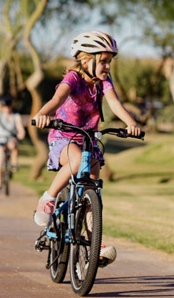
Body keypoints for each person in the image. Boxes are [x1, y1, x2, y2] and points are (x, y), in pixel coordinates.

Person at [31, 31, 141, 266]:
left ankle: (94, 242)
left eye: (109, 61)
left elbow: (114, 103)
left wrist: (130, 123)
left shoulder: (104, 82)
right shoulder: (73, 78)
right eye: (103, 61)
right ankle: (48, 198)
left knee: (92, 191)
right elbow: (58, 99)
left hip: (88, 139)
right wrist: (42, 115)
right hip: (63, 136)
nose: (107, 66)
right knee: (75, 159)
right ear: (85, 60)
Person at [0, 95, 26, 192]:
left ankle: (14, 164)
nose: (6, 108)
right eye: (4, 106)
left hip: (11, 138)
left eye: (8, 106)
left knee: (13, 145)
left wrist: (21, 134)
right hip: (0, 138)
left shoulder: (16, 116)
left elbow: (20, 128)